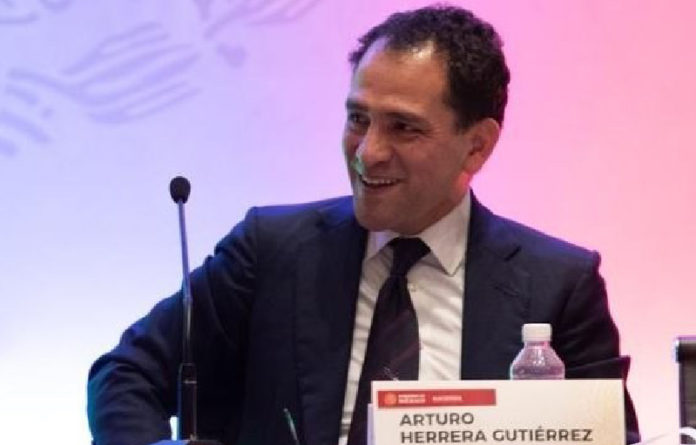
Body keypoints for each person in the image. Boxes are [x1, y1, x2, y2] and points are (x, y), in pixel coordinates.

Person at [87, 5, 640, 445]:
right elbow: (126, 374)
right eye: (358, 119)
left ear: (477, 144)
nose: (368, 153)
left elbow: (611, 436)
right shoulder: (271, 252)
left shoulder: (557, 284)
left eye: (403, 127)